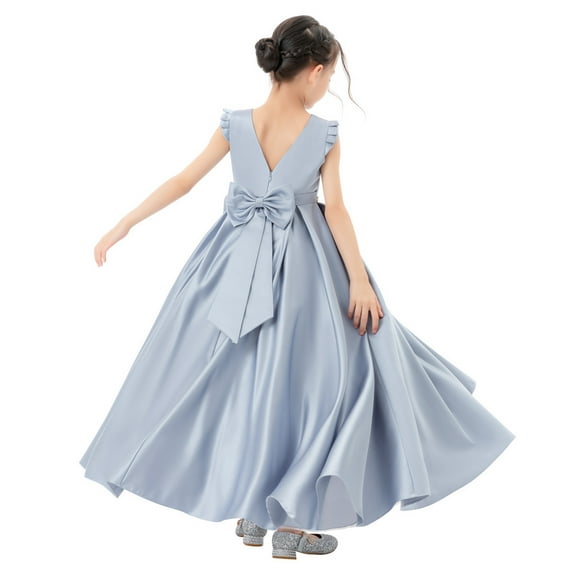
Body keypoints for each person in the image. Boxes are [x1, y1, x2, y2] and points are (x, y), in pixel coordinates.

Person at [79, 14, 516, 561]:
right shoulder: (322, 133)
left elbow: (184, 180)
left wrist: (125, 223)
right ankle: (290, 518)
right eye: (329, 75)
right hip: (308, 269)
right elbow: (337, 211)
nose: (328, 85)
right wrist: (358, 282)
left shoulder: (237, 123)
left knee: (241, 380)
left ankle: (255, 509)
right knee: (319, 383)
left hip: (230, 264)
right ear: (313, 71)